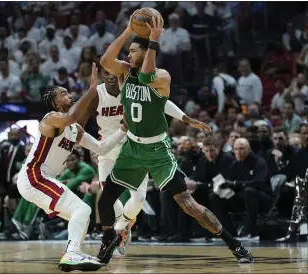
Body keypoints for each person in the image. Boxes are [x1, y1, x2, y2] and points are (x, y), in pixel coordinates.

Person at [97, 11, 253, 264]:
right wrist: (128, 32)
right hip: (132, 149)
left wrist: (154, 40)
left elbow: (147, 76)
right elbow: (106, 60)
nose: (128, 55)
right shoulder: (124, 73)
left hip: (158, 150)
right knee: (105, 201)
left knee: (188, 205)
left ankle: (234, 244)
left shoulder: (162, 76)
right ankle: (108, 240)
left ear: (147, 52)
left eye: (133, 51)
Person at [76, 64, 205, 256]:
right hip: (109, 149)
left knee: (139, 199)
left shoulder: (131, 87)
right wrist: (93, 145)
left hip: (133, 148)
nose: (111, 76)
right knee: (108, 199)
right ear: (101, 75)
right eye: (106, 73)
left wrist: (185, 117)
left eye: (114, 72)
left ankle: (123, 226)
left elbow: (160, 101)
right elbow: (78, 121)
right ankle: (120, 230)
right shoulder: (97, 94)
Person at [16, 63, 127, 272]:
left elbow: (102, 149)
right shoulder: (51, 119)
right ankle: (71, 253)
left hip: (44, 179)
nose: (69, 95)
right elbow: (73, 116)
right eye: (63, 93)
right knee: (81, 209)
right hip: (34, 176)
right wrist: (93, 88)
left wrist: (123, 129)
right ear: (54, 102)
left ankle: (73, 252)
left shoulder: (74, 130)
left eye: (68, 92)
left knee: (81, 214)